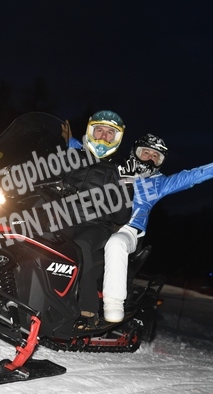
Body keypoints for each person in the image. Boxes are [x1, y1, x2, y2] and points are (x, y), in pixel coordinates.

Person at [101, 134, 213, 322]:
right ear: (135, 152)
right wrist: (69, 143)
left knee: (116, 243)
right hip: (99, 224)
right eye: (146, 152)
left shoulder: (158, 183)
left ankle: (113, 304)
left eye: (156, 156)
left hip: (127, 231)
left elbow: (191, 176)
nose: (150, 158)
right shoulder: (116, 168)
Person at [58, 110, 132, 329]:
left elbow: (122, 216)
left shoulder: (119, 170)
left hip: (95, 225)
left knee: (80, 246)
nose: (103, 136)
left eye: (110, 133)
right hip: (63, 218)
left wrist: (124, 189)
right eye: (99, 130)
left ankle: (88, 310)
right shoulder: (73, 158)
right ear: (90, 131)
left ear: (117, 138)